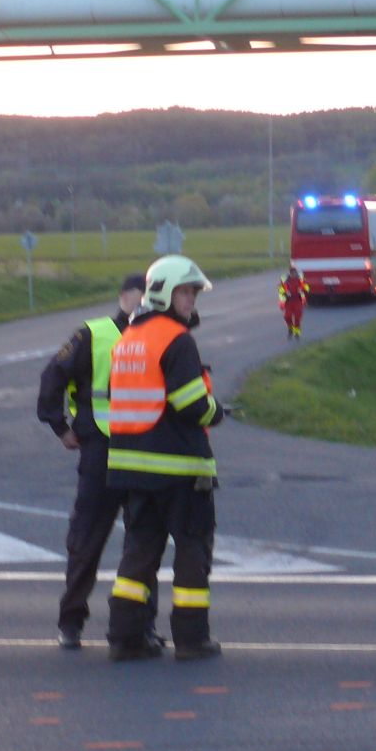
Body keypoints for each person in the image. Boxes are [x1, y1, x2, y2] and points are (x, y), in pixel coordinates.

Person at [104, 255, 226, 662]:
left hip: (132, 470)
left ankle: (126, 637)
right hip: (180, 469)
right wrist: (217, 412)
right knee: (193, 552)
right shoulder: (177, 340)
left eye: (193, 293)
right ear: (164, 294)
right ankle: (191, 639)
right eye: (184, 292)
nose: (191, 300)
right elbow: (192, 404)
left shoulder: (128, 338)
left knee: (139, 553)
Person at [37, 273, 149, 649]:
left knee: (143, 543)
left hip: (143, 451)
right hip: (102, 449)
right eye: (141, 296)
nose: (145, 304)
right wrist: (60, 427)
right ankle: (71, 621)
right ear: (124, 296)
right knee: (87, 538)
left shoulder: (157, 336)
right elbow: (53, 376)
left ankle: (136, 626)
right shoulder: (94, 334)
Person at [278, 264, 310, 339]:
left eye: (294, 272)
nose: (293, 273)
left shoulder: (301, 280)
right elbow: (280, 289)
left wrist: (302, 290)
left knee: (297, 317)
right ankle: (290, 328)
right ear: (290, 272)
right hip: (288, 301)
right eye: (291, 272)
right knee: (287, 317)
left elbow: (307, 288)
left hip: (298, 301)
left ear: (296, 272)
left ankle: (297, 333)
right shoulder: (285, 280)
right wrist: (285, 293)